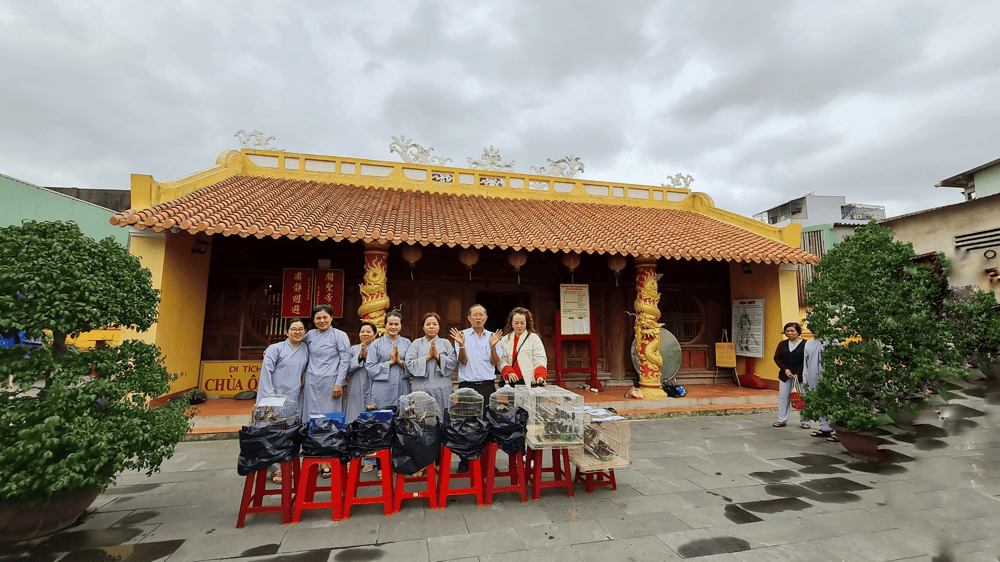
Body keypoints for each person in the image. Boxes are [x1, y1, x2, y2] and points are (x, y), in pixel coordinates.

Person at [256, 318, 309, 484]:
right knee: (271, 432)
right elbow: (266, 372)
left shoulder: (306, 350)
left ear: (305, 332)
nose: (297, 332)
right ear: (286, 332)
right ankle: (274, 468)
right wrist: (267, 398)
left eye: (301, 329)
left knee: (290, 433)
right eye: (293, 329)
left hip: (294, 398)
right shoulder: (275, 349)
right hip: (274, 396)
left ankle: (288, 464)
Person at [302, 305, 351, 477]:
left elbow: (345, 360)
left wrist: (339, 383)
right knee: (313, 419)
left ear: (331, 317)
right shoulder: (309, 336)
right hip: (312, 384)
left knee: (331, 419)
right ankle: (315, 456)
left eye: (325, 317)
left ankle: (330, 460)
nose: (322, 321)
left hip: (332, 385)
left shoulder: (340, 335)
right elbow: (299, 353)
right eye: (318, 318)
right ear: (313, 320)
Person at [450, 304, 503, 413]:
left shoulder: (493, 336)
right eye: (475, 315)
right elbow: (462, 361)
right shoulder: (461, 335)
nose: (478, 318)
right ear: (469, 318)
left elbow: (495, 362)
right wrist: (462, 345)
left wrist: (493, 347)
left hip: (487, 386)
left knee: (488, 421)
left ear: (486, 317)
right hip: (466, 387)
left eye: (481, 315)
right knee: (466, 421)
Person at [404, 312, 458, 415]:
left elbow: (452, 362)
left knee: (441, 416)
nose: (431, 327)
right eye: (428, 324)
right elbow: (409, 363)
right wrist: (428, 357)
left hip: (441, 388)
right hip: (420, 388)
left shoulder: (445, 343)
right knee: (421, 418)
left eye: (434, 324)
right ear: (423, 327)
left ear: (439, 327)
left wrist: (438, 357)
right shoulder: (416, 343)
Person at [366, 310, 411, 410]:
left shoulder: (407, 343)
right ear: (385, 325)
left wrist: (400, 362)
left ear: (401, 326)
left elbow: (413, 366)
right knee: (382, 418)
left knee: (402, 417)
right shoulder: (376, 344)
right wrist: (390, 362)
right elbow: (370, 367)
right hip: (382, 387)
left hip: (402, 384)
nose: (393, 327)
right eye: (390, 324)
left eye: (396, 324)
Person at [496, 307, 548, 387]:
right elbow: (501, 359)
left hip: (530, 381)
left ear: (527, 323)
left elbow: (540, 358)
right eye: (516, 323)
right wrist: (509, 371)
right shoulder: (505, 340)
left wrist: (540, 375)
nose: (519, 326)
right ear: (511, 323)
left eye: (522, 323)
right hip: (511, 381)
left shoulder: (533, 338)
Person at [803, 336, 838, 440]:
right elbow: (805, 362)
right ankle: (825, 428)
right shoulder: (808, 343)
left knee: (832, 403)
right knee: (819, 403)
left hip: (828, 376)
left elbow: (835, 357)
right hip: (813, 376)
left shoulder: (832, 340)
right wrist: (805, 379)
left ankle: (838, 431)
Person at [773, 322, 806, 428]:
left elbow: (806, 360)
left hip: (800, 376)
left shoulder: (805, 344)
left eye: (792, 330)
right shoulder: (782, 344)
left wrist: (798, 373)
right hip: (785, 375)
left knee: (803, 397)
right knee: (783, 397)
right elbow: (777, 358)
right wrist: (785, 369)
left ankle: (805, 421)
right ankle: (782, 419)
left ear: (798, 332)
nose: (789, 333)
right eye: (787, 331)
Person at [345, 322, 378, 424]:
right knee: (354, 411)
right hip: (356, 383)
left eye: (368, 332)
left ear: (375, 334)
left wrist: (368, 357)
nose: (365, 334)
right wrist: (360, 358)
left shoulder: (378, 348)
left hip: (373, 383)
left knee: (372, 411)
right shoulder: (353, 349)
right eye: (362, 331)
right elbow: (347, 369)